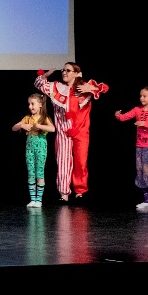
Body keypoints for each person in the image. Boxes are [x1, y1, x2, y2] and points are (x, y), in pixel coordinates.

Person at [34, 64, 109, 203]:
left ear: (76, 73)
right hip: (63, 131)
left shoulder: (84, 87)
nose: (64, 72)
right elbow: (38, 83)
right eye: (63, 70)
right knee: (63, 161)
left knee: (81, 162)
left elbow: (104, 88)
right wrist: (47, 74)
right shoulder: (56, 87)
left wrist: (91, 88)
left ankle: (80, 192)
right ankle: (64, 193)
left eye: (68, 70)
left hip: (81, 131)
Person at [115, 85, 148, 212]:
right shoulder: (137, 109)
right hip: (140, 147)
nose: (142, 98)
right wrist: (118, 116)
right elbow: (124, 117)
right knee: (142, 174)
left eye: (145, 96)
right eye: (140, 96)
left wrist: (145, 123)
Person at [11, 93, 55, 208]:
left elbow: (52, 129)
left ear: (40, 104)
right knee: (31, 172)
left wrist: (39, 126)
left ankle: (39, 200)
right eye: (29, 104)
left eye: (32, 104)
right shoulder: (27, 118)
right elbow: (14, 128)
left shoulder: (44, 118)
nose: (30, 106)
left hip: (41, 147)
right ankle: (33, 199)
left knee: (39, 172)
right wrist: (22, 126)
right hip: (29, 148)